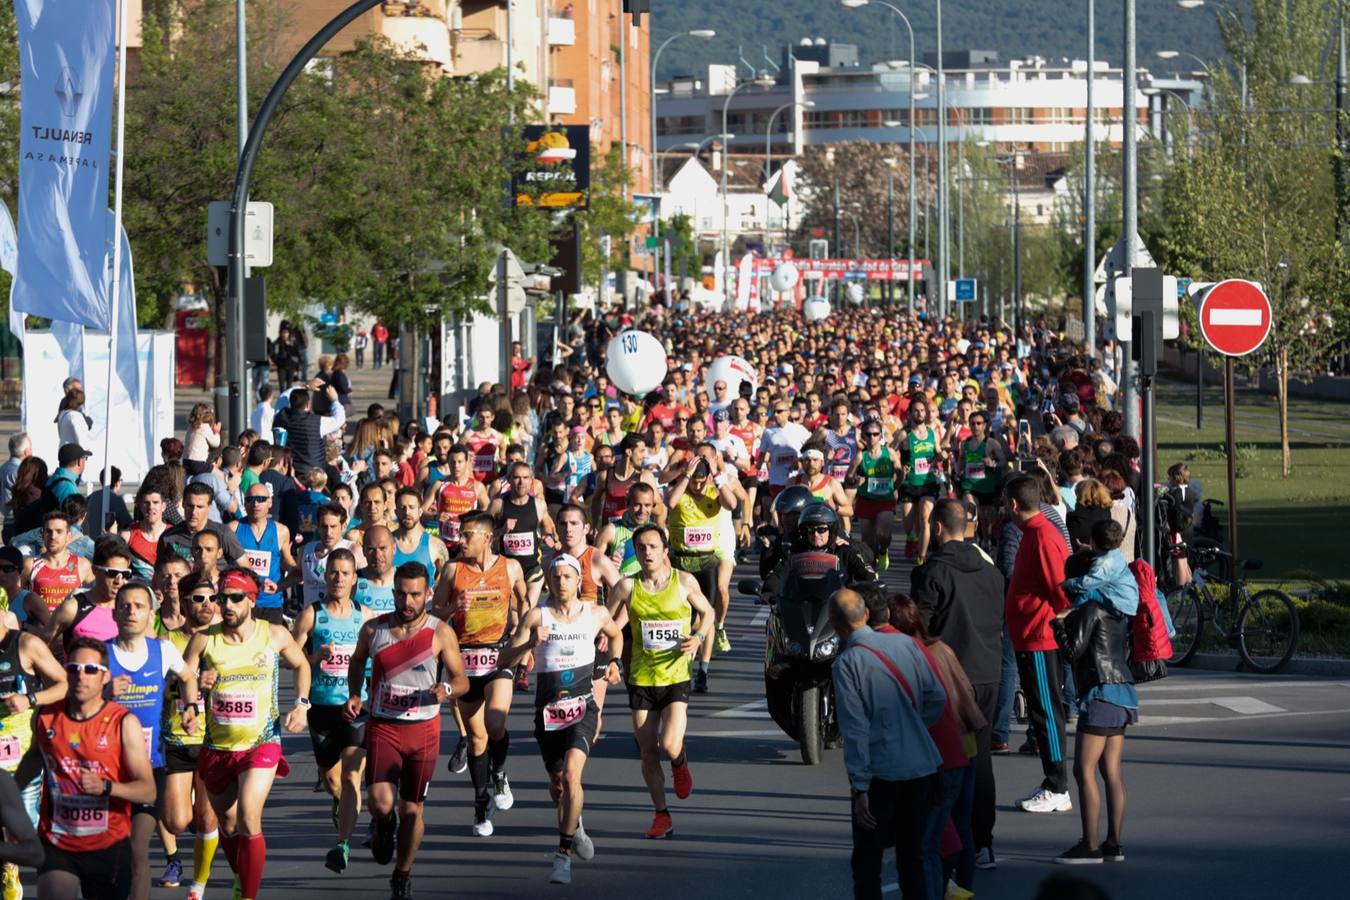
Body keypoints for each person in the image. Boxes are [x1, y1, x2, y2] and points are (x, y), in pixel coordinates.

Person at [180, 568, 312, 900]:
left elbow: (302, 665)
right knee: (228, 823)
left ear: (251, 600)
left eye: (235, 598)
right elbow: (181, 681)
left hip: (261, 743)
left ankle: (248, 896)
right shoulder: (203, 639)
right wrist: (192, 702)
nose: (226, 605)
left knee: (249, 816)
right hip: (217, 746)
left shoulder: (274, 635)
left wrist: (301, 704)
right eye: (221, 598)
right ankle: (242, 874)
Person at [343, 562, 469, 900]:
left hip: (424, 731)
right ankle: (383, 827)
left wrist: (447, 689)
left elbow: (461, 679)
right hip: (383, 725)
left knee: (411, 810)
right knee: (382, 805)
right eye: (401, 593)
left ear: (427, 594)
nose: (407, 601)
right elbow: (356, 662)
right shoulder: (373, 630)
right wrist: (355, 693)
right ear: (394, 592)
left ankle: (402, 874)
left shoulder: (440, 632)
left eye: (415, 594)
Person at [498, 553, 624, 884]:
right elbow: (503, 660)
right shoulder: (536, 617)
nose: (561, 583)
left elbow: (617, 634)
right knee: (558, 786)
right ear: (550, 581)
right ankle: (575, 822)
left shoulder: (595, 613)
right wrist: (528, 643)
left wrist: (615, 663)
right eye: (556, 577)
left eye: (568, 577)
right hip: (548, 712)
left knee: (571, 776)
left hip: (582, 706)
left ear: (577, 579)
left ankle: (562, 855)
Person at [14, 637, 157, 900]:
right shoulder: (47, 718)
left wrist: (106, 787)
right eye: (73, 668)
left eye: (91, 670)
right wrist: (8, 800)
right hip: (58, 841)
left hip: (108, 845)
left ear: (105, 678)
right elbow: (33, 760)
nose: (81, 676)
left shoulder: (123, 722)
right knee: (53, 892)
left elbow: (148, 791)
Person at [829, 587, 946, 900]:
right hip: (922, 767)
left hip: (881, 776)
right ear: (866, 614)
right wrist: (915, 725)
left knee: (868, 863)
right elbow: (938, 697)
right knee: (913, 860)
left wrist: (859, 788)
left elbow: (855, 730)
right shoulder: (907, 644)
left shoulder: (847, 663)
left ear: (835, 625)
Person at [910, 499, 1007, 874]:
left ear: (936, 528)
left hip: (948, 677)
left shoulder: (933, 571)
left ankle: (945, 838)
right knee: (980, 762)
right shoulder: (990, 569)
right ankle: (982, 842)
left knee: (944, 760)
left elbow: (920, 630)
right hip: (988, 673)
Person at [607, 523, 714, 839]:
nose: (647, 552)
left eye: (653, 546)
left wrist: (697, 637)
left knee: (668, 744)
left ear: (665, 550)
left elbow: (707, 612)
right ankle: (661, 815)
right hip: (641, 676)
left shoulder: (683, 581)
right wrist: (611, 656)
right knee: (647, 749)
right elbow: (609, 624)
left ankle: (680, 763)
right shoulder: (627, 587)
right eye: (641, 548)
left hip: (676, 675)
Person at [433, 511, 528, 836]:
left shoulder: (510, 567)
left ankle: (499, 773)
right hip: (464, 660)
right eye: (460, 535)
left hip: (498, 655)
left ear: (487, 538)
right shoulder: (452, 570)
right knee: (476, 739)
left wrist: (522, 644)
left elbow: (525, 605)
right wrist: (451, 608)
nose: (460, 541)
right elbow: (433, 612)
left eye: (467, 535)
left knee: (496, 724)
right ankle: (480, 800)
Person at [105, 582, 198, 900]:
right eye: (125, 606)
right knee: (111, 854)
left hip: (151, 768)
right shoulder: (101, 655)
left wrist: (190, 708)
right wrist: (103, 692)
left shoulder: (163, 651)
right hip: (109, 770)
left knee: (137, 848)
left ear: (150, 614)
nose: (131, 611)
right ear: (115, 613)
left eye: (139, 606)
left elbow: (187, 677)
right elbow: (73, 700)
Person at [1054, 519, 1138, 865]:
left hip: (1100, 692)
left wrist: (1059, 627)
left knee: (1083, 770)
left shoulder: (1089, 609)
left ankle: (1089, 845)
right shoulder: (1118, 608)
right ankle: (1114, 844)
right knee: (1112, 772)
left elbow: (1073, 652)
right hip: (1123, 691)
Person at [290, 549, 370, 873]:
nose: (338, 578)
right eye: (333, 572)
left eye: (345, 573)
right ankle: (337, 801)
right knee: (331, 779)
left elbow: (372, 660)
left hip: (355, 705)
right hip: (321, 706)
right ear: (326, 576)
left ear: (354, 578)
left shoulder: (363, 616)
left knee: (352, 776)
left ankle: (343, 844)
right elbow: (290, 658)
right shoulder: (312, 614)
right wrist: (314, 657)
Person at [1004, 474, 1073, 813]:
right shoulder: (1034, 532)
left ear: (1014, 505)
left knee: (1046, 711)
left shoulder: (1042, 536)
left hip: (1039, 638)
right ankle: (1054, 781)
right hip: (1030, 636)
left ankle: (1057, 785)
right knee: (1041, 710)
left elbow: (1060, 591)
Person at [154, 572, 221, 900]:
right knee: (177, 821)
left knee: (208, 818)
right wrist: (190, 682)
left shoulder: (224, 639)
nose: (207, 605)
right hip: (178, 738)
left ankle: (199, 885)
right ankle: (176, 847)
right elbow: (161, 691)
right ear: (184, 599)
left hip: (214, 739)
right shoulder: (169, 643)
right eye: (199, 598)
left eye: (212, 598)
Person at [0, 599, 67, 899]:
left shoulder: (24, 644)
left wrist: (29, 700)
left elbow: (64, 683)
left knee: (21, 829)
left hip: (22, 757)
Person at [663, 443, 738, 693]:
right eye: (694, 481)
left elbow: (733, 503)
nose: (698, 486)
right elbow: (671, 503)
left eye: (701, 481)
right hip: (682, 562)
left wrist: (716, 476)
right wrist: (686, 475)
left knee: (708, 616)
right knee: (683, 618)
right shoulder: (681, 489)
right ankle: (678, 667)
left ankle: (703, 671)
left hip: (706, 562)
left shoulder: (714, 491)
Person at [42, 537, 133, 652]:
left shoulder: (133, 609)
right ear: (95, 570)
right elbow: (40, 648)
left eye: (124, 574)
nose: (118, 581)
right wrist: (59, 670)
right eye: (112, 573)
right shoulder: (72, 608)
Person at [490, 463, 557, 610]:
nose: (521, 482)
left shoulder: (539, 504)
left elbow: (547, 522)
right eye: (517, 478)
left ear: (531, 480)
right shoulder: (498, 504)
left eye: (526, 478)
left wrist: (550, 536)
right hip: (507, 569)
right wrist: (502, 530)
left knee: (526, 608)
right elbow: (485, 537)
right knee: (514, 617)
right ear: (509, 479)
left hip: (532, 568)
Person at [229, 484, 299, 625]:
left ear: (270, 502)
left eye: (261, 499)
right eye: (251, 499)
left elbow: (285, 561)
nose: (255, 503)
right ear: (244, 503)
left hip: (270, 603)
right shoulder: (233, 528)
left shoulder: (281, 531)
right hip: (241, 601)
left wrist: (296, 570)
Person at [25, 512, 95, 629]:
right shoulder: (30, 564)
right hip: (41, 635)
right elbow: (16, 597)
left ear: (68, 536)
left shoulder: (82, 565)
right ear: (43, 535)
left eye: (59, 531)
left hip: (71, 634)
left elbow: (95, 598)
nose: (53, 536)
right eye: (49, 531)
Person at [850, 420, 899, 571]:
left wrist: (894, 487)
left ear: (880, 436)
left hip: (885, 500)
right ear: (863, 436)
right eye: (868, 434)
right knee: (867, 540)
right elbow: (848, 477)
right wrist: (857, 479)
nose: (872, 438)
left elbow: (900, 472)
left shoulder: (889, 453)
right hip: (866, 500)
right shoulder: (860, 456)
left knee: (883, 534)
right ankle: (872, 568)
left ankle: (883, 551)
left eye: (875, 434)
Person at [1, 432, 32, 544]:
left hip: (8, 523)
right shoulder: (19, 472)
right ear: (26, 452)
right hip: (18, 524)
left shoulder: (3, 468)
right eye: (31, 448)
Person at [183, 404, 222, 477]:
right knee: (220, 474)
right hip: (198, 463)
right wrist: (216, 432)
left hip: (186, 462)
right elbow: (215, 443)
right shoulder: (205, 427)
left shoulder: (190, 427)